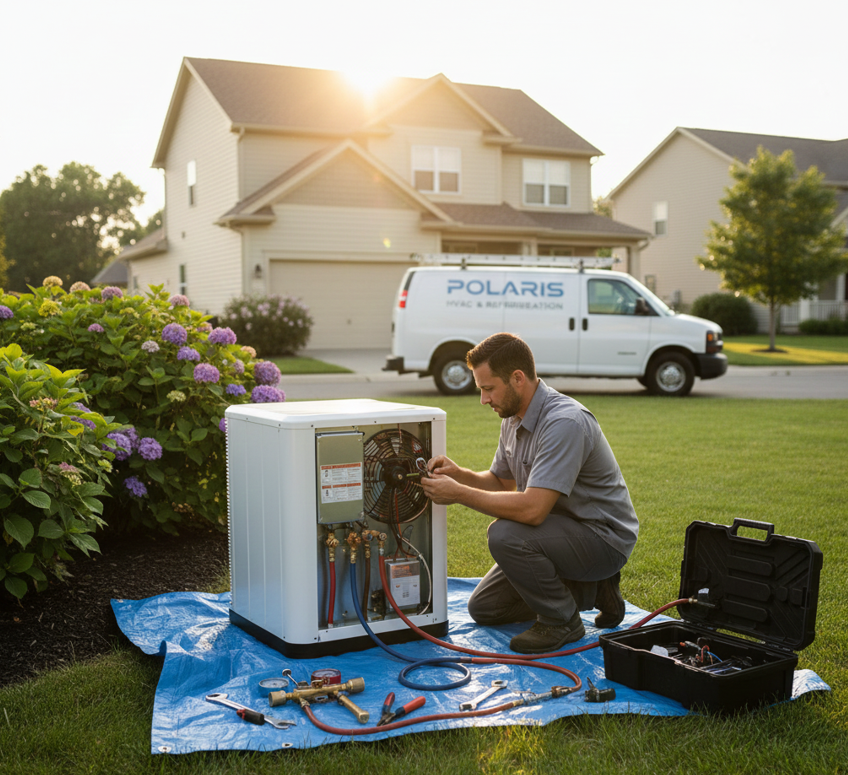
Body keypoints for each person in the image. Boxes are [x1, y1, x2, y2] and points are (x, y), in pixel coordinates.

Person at [420, 332, 639, 654]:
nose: (483, 400)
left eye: (488, 389)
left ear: (517, 378)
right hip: (559, 534)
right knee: (485, 609)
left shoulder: (565, 422)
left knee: (506, 534)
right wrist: (460, 475)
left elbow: (532, 510)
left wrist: (459, 494)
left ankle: (562, 620)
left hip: (603, 539)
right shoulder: (512, 417)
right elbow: (500, 482)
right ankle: (590, 590)